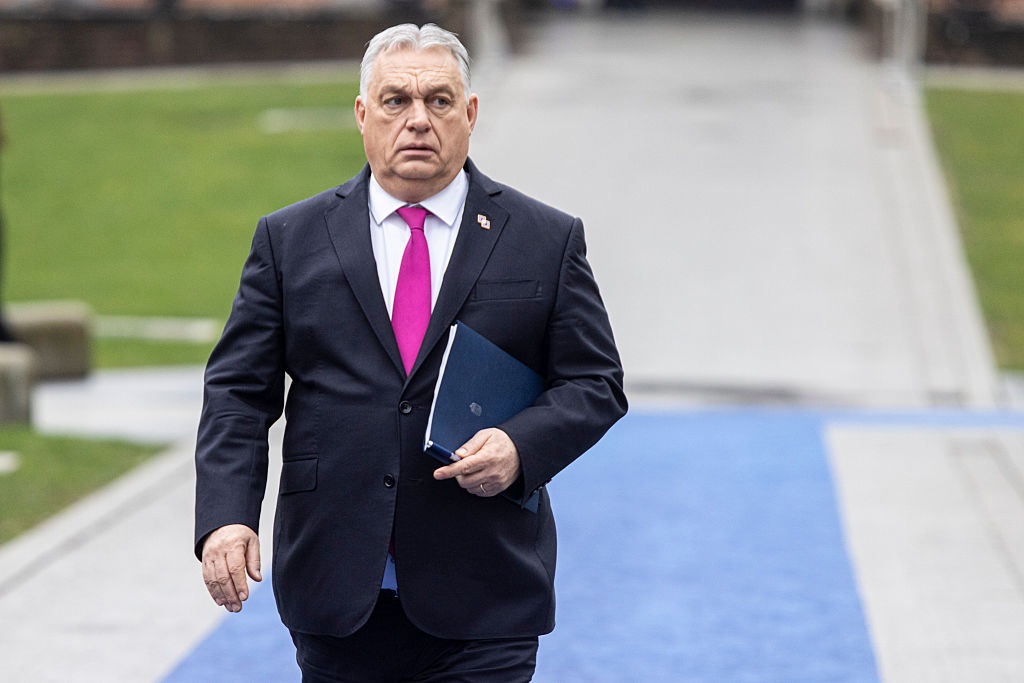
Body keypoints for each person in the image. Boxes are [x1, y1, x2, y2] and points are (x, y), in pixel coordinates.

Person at [195, 23, 626, 681]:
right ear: (362, 114)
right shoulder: (290, 240)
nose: (418, 119)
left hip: (487, 588)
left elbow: (595, 382)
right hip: (337, 586)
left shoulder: (544, 238)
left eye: (439, 100)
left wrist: (520, 446)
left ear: (470, 113)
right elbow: (238, 392)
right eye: (396, 100)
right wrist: (227, 516)